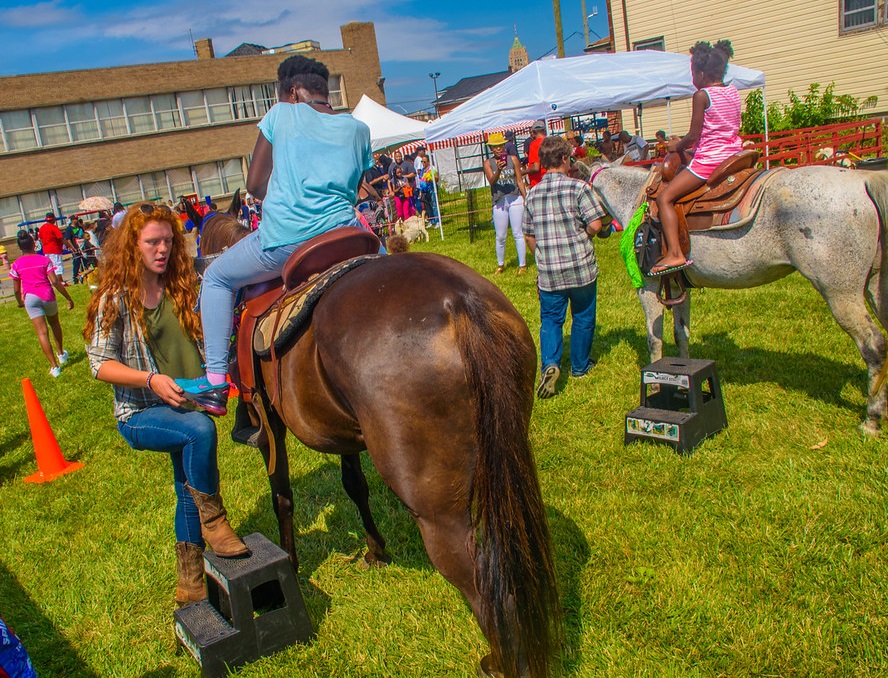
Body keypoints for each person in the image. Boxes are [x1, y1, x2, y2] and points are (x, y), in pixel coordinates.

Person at [174, 54, 373, 415]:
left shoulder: (281, 114)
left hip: (288, 240)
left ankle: (216, 382)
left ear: (293, 93)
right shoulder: (358, 128)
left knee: (217, 277)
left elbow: (254, 184)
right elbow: (354, 185)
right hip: (349, 236)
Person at [84, 203, 250, 607]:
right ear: (132, 246)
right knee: (199, 432)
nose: (162, 249)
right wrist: (151, 380)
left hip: (188, 403)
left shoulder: (186, 282)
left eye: (168, 241)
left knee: (186, 488)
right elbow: (99, 364)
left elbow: (229, 271)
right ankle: (215, 521)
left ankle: (190, 584)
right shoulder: (116, 298)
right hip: (141, 413)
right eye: (152, 242)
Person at [523, 136, 606, 399]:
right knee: (582, 317)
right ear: (563, 159)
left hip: (550, 272)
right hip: (580, 268)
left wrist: (542, 256)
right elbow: (595, 225)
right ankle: (580, 366)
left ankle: (551, 364)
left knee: (550, 319)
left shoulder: (532, 194)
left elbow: (528, 235)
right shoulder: (578, 188)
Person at [652, 39, 741, 275]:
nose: (692, 79)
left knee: (665, 198)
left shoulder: (702, 95)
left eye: (693, 73)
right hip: (733, 153)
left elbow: (693, 135)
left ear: (701, 73)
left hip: (710, 160)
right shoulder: (733, 91)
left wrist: (675, 145)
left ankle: (675, 254)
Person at [10, 229, 74, 378]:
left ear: (20, 247)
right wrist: (68, 298)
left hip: (30, 298)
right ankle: (61, 354)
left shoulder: (16, 264)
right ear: (34, 244)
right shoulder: (44, 260)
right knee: (55, 324)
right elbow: (55, 281)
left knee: (42, 333)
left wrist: (20, 301)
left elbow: (15, 288)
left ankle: (54, 367)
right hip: (47, 295)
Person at [483, 132, 527, 275]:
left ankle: (522, 265)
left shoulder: (513, 159)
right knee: (500, 235)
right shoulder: (488, 163)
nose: (498, 149)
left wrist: (525, 197)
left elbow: (519, 180)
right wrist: (499, 169)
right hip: (499, 200)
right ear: (490, 149)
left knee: (517, 232)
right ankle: (500, 265)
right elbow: (491, 181)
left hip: (515, 198)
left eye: (500, 145)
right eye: (495, 147)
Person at [37, 213, 65, 281]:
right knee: (58, 265)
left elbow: (40, 238)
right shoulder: (54, 227)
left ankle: (54, 280)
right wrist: (70, 246)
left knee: (50, 267)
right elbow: (61, 238)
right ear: (53, 219)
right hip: (55, 249)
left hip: (46, 250)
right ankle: (60, 281)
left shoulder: (42, 228)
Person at [524, 120, 548, 188]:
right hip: (550, 180)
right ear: (544, 130)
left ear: (533, 132)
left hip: (538, 183)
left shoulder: (534, 144)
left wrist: (523, 172)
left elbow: (536, 168)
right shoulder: (550, 142)